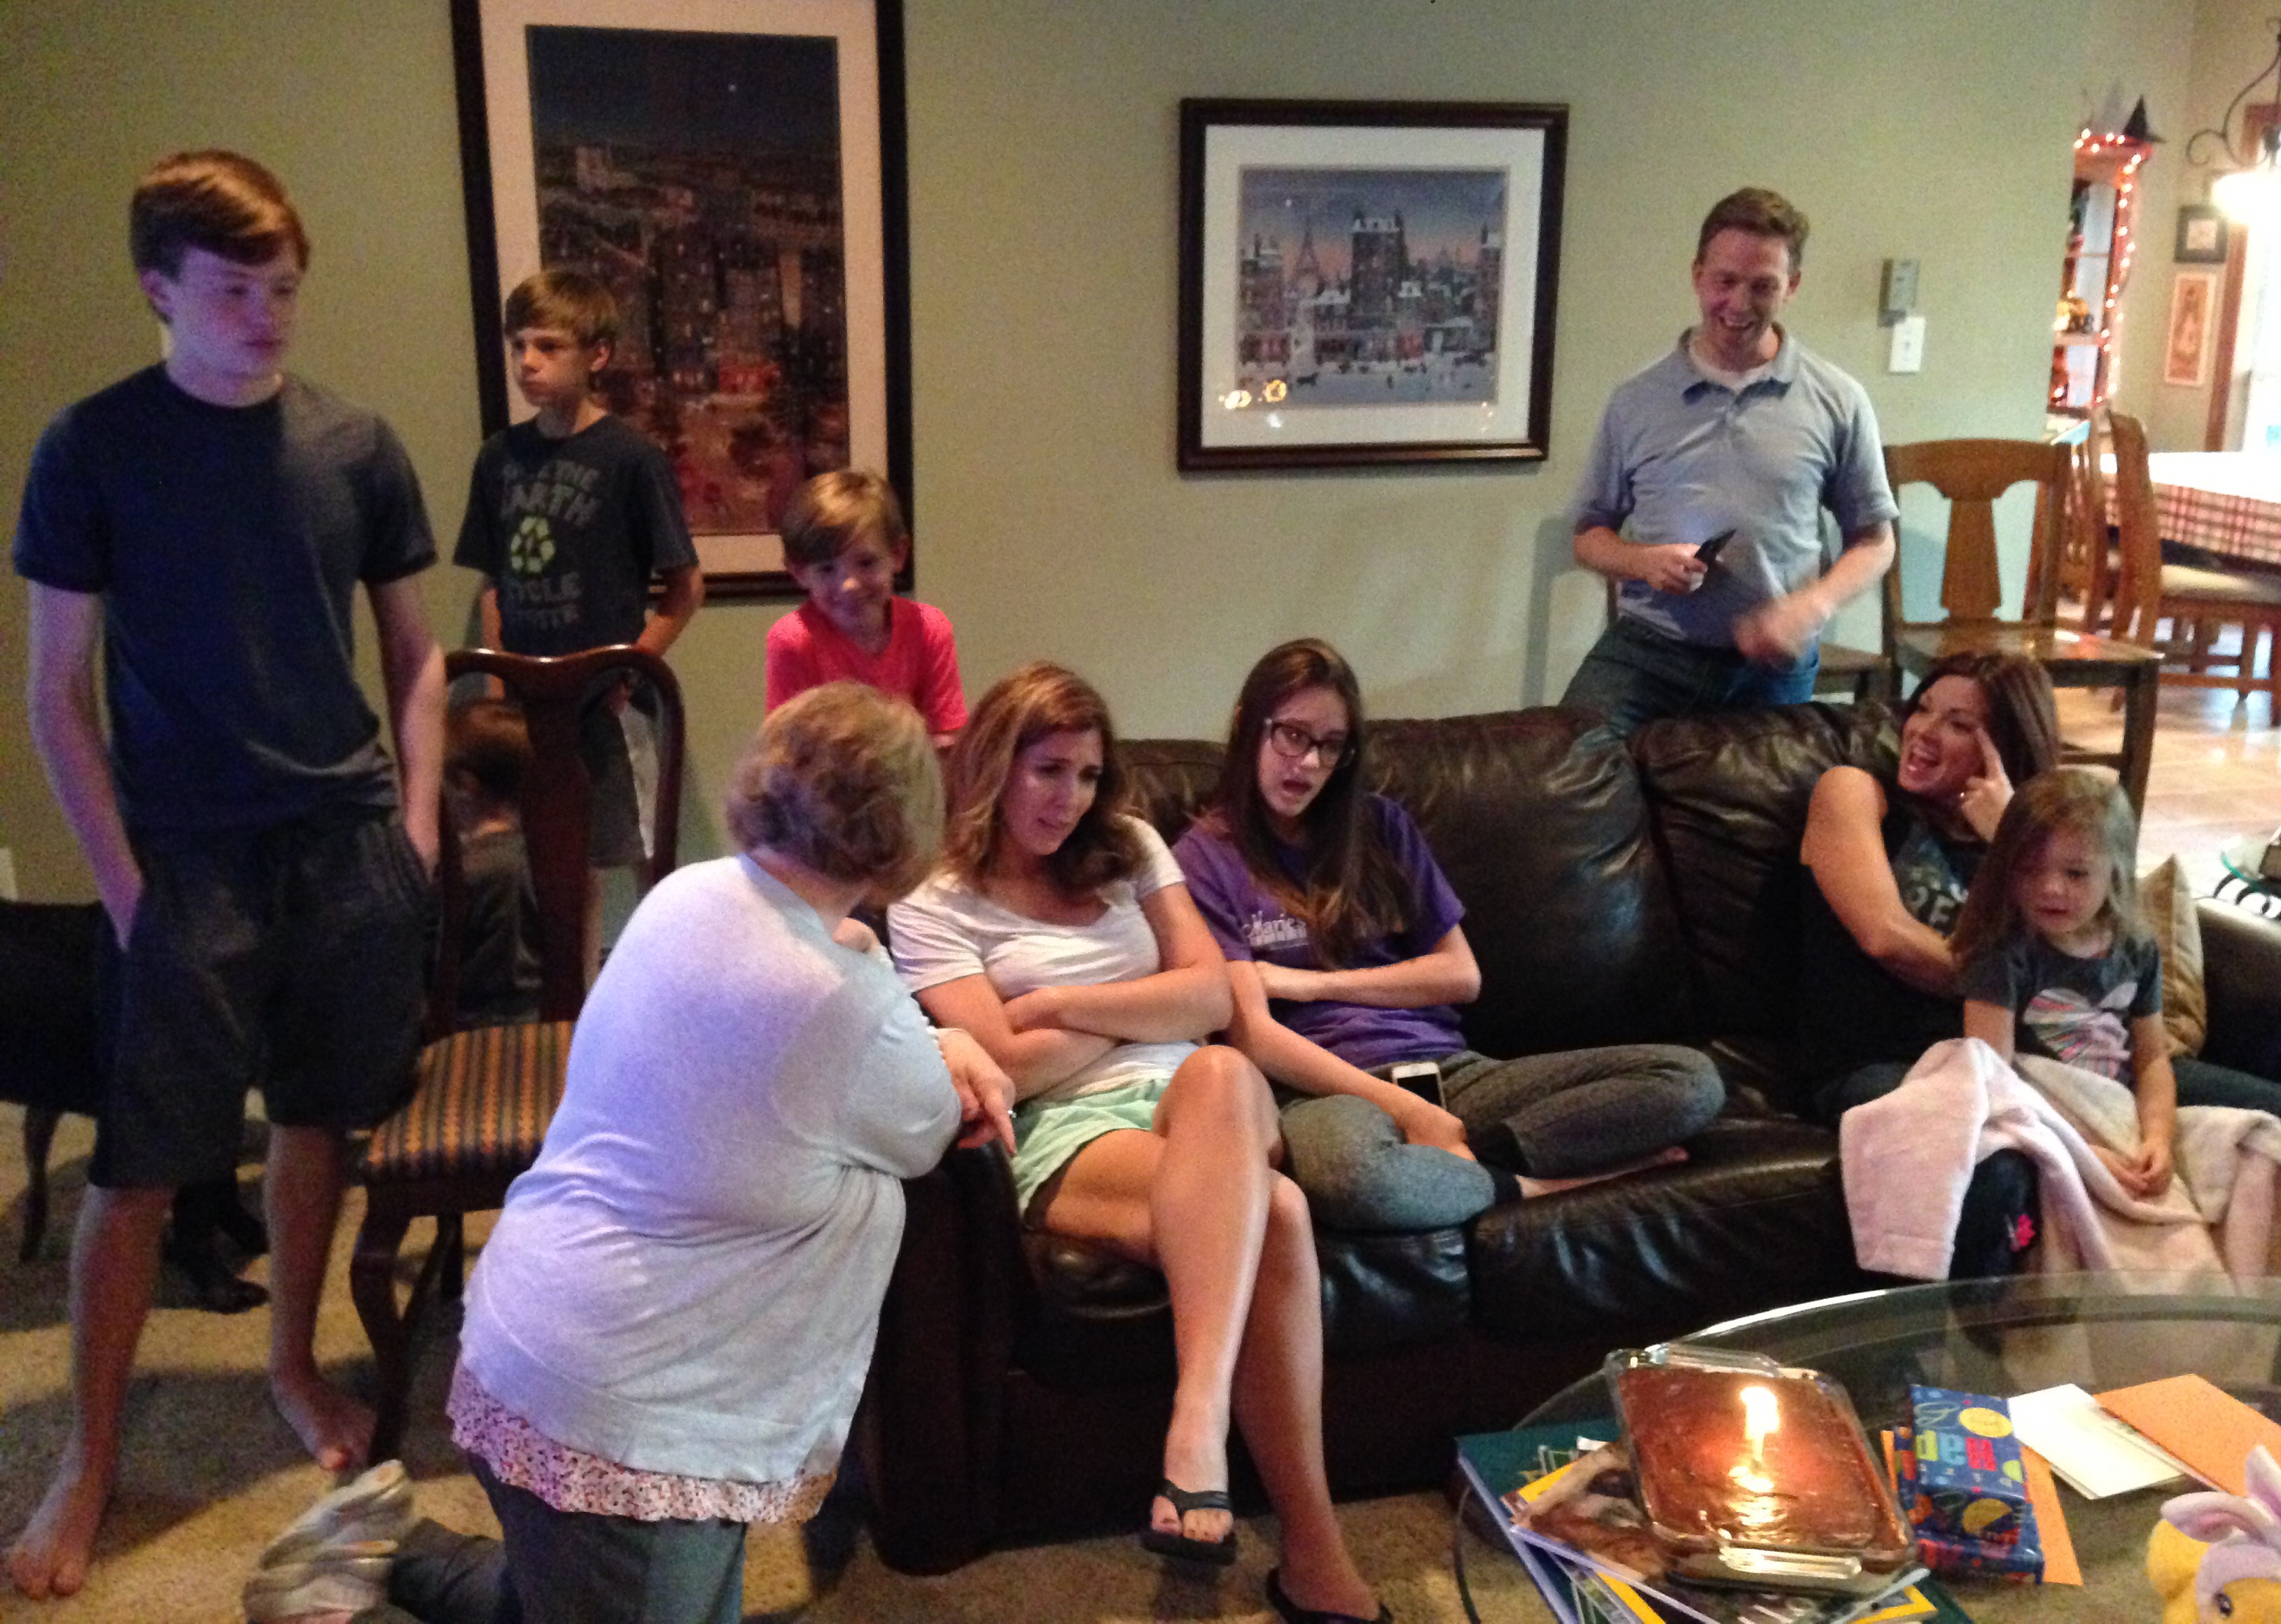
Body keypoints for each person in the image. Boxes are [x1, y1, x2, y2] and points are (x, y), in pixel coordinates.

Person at [246, 685, 1016, 1624]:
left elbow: (846, 988)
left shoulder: (691, 893)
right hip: (625, 1416)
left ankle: (387, 1542)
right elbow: (931, 1125)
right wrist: (954, 1042)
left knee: (568, 1594)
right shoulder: (842, 1007)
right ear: (906, 831)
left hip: (538, 1334)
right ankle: (349, 1584)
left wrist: (917, 1022)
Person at [9, 150, 445, 1600]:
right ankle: (87, 1455)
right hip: (183, 858)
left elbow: (417, 651)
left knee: (320, 1119)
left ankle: (291, 1365)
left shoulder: (355, 444)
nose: (268, 316)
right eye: (236, 290)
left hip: (345, 844)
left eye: (284, 289)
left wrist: (416, 824)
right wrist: (126, 890)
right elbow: (56, 692)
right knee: (140, 1171)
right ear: (160, 288)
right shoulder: (92, 448)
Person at [888, 664, 1388, 1624]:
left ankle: (1195, 1424)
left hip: (1202, 1103)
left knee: (1221, 1073)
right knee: (1280, 1211)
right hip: (1066, 1129)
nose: (1070, 799)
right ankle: (1315, 1556)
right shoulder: (934, 896)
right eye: (1047, 771)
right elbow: (1004, 1067)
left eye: (1086, 775)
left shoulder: (1130, 846)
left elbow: (1212, 997)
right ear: (994, 765)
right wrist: (1141, 1010)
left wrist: (1058, 1004)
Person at [1174, 640, 1726, 1232]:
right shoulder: (1204, 859)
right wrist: (1408, 1110)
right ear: (1246, 726)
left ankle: (1464, 1164)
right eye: (1292, 735)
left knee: (1690, 1080)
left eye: (1331, 745)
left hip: (1451, 1072)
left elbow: (1459, 976)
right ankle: (1532, 1185)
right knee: (1349, 1175)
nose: (1308, 763)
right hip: (1325, 1094)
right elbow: (1254, 1038)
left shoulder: (1381, 826)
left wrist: (1308, 984)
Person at [1561, 187, 1898, 733]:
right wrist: (1644, 562)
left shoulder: (1839, 399)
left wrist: (1810, 607)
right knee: (1564, 757)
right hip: (1650, 651)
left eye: (1762, 286)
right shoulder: (1636, 399)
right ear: (1698, 276)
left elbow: (1876, 543)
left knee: (1762, 788)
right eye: (1725, 281)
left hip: (1771, 666)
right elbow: (1587, 537)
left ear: (1792, 286)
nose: (1739, 304)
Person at [450, 267, 704, 969]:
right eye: (519, 346)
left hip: (608, 702)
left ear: (596, 355)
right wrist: (497, 690)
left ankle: (669, 987)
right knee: (557, 861)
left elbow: (685, 588)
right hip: (529, 702)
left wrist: (632, 668)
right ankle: (574, 1004)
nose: (528, 363)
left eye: (549, 346)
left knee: (637, 849)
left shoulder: (632, 459)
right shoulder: (499, 459)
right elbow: (494, 587)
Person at [1799, 652, 2060, 1278]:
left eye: (1959, 724)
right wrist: (2000, 988)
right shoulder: (1855, 792)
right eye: (1923, 709)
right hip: (1876, 1061)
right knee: (1988, 1163)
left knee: (2256, 1110)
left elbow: (2076, 965)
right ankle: (1970, 1344)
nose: (1922, 732)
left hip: (2007, 1058)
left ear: (2005, 749)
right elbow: (1885, 936)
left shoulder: (2021, 840)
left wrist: (2011, 839)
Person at [1953, 769, 2175, 1198]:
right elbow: (1994, 1078)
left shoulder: (2137, 948)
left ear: (2115, 873)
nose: (2051, 888)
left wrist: (2159, 1137)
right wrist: (2081, 1150)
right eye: (2029, 869)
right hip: (2045, 1123)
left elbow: (2152, 1059)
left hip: (2118, 1114)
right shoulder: (2002, 953)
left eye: (2076, 873)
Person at [765, 467, 966, 746]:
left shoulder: (928, 629)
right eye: (827, 569)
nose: (849, 585)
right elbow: (786, 750)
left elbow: (946, 739)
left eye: (866, 563)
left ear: (898, 555)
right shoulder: (793, 641)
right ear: (799, 572)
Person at [441, 699, 540, 1028]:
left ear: (466, 785)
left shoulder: (462, 873)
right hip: (539, 1019)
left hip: (471, 1028)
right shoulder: (548, 862)